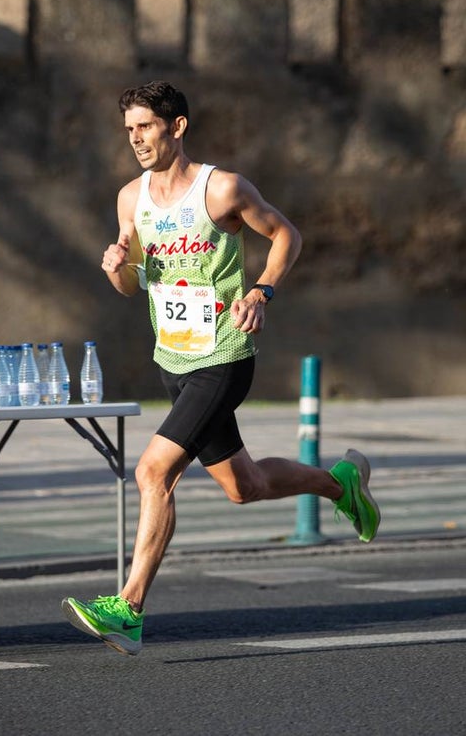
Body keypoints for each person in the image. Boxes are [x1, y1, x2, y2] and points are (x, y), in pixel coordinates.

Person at [62, 81, 379, 655]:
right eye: (129, 129)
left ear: (176, 127)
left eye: (147, 127)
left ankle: (129, 608)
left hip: (224, 358)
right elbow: (134, 284)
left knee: (153, 473)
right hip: (173, 361)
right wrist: (115, 267)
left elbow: (287, 234)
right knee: (245, 485)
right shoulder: (129, 198)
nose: (136, 138)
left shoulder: (222, 188)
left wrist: (261, 291)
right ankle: (341, 484)